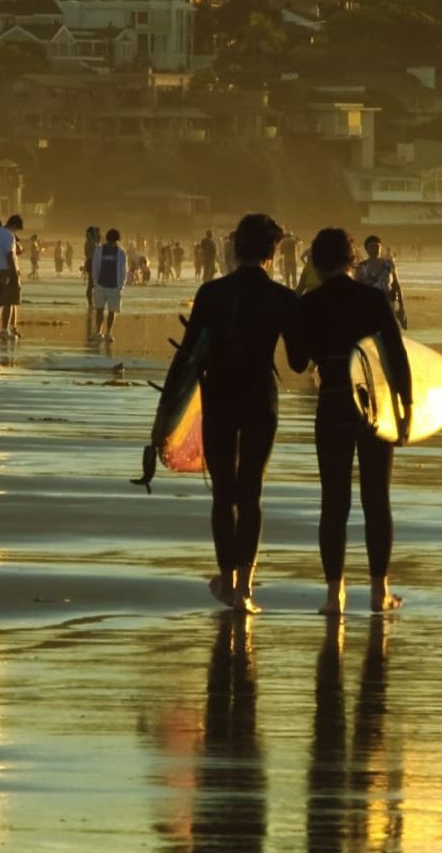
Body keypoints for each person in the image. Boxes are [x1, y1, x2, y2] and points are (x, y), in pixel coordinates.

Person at [161, 214, 300, 614]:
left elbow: (187, 359)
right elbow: (296, 361)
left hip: (219, 396)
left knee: (223, 493)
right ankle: (245, 587)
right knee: (250, 491)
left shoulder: (211, 293)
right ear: (273, 252)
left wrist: (165, 419)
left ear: (235, 247)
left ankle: (226, 580)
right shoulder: (282, 298)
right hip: (260, 398)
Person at [287, 227, 412, 617]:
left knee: (334, 503)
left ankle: (333, 597)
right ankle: (379, 592)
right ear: (352, 259)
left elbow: (297, 363)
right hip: (374, 408)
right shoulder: (372, 298)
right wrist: (406, 412)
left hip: (333, 404)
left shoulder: (309, 304)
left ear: (315, 263)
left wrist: (295, 316)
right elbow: (397, 356)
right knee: (376, 498)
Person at [0, 214, 25, 342]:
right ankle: (4, 330)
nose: (16, 232)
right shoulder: (9, 235)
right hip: (7, 271)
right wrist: (14, 274)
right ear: (14, 225)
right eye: (17, 229)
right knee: (8, 302)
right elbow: (10, 255)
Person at [354, 235, 409, 329]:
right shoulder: (362, 267)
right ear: (366, 249)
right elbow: (356, 288)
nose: (375, 248)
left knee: (389, 330)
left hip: (388, 303)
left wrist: (401, 307)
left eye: (377, 246)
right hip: (368, 305)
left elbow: (396, 285)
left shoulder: (389, 264)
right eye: (372, 246)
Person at [90, 227, 129, 342]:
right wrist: (96, 282)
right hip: (101, 285)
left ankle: (108, 333)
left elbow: (123, 270)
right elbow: (95, 267)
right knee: (99, 309)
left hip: (114, 286)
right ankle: (98, 332)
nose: (112, 243)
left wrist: (121, 285)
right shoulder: (99, 250)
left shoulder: (121, 252)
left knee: (112, 311)